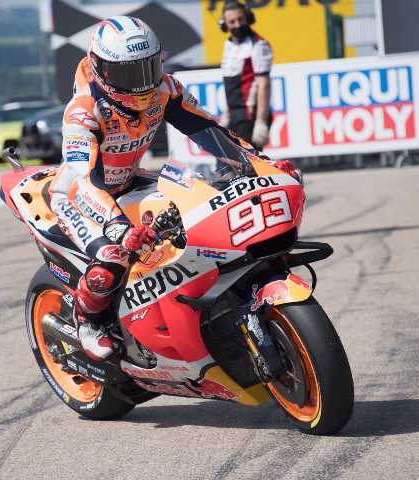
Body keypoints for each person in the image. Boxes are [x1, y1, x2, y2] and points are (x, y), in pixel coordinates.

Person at [48, 16, 299, 360]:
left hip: (127, 181)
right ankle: (88, 319)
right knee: (113, 256)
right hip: (79, 197)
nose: (140, 84)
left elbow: (209, 131)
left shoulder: (165, 89)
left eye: (147, 69)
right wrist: (117, 227)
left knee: (192, 215)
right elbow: (81, 179)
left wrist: (258, 164)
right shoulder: (83, 112)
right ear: (102, 70)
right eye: (128, 74)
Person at [218, 1, 273, 150]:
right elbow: (231, 85)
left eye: (240, 19)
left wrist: (261, 121)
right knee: (226, 161)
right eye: (232, 22)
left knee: (246, 165)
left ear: (248, 17)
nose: (237, 25)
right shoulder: (228, 44)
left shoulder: (259, 44)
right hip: (234, 114)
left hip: (249, 114)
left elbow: (264, 84)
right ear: (224, 24)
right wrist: (227, 114)